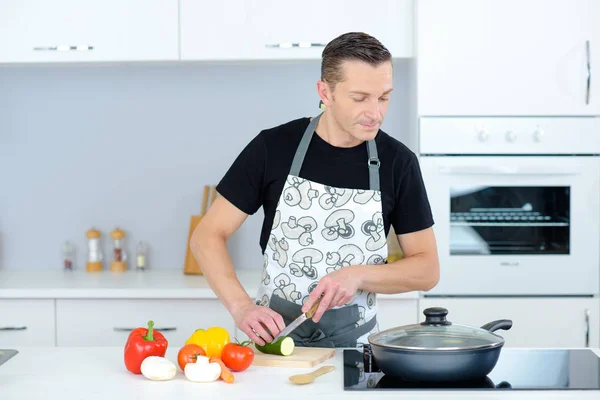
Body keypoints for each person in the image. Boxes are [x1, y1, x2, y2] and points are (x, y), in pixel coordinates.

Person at [190, 32, 440, 348]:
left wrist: (357, 275)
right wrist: (241, 307)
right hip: (272, 342)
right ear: (325, 92)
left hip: (357, 348)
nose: (375, 112)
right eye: (360, 98)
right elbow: (206, 236)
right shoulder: (273, 148)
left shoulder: (398, 162)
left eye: (384, 97)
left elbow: (427, 269)